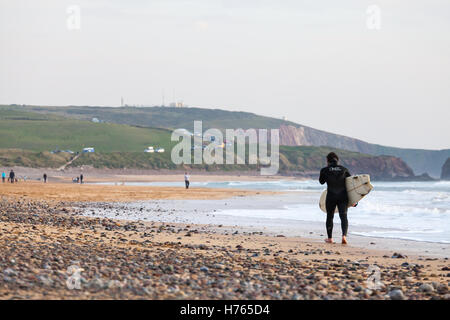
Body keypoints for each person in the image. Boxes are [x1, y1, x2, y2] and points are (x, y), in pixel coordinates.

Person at [319, 152, 351, 244]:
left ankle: (330, 238)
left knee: (330, 216)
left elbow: (321, 182)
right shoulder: (344, 169)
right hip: (343, 196)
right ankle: (344, 236)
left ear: (327, 160)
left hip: (331, 196)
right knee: (343, 216)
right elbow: (351, 184)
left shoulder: (324, 170)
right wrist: (354, 200)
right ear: (337, 160)